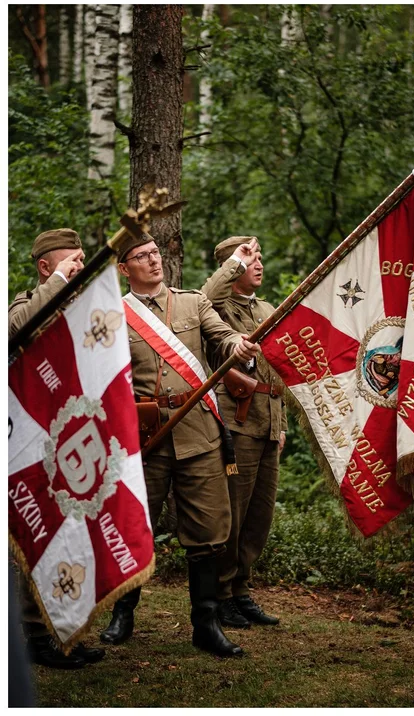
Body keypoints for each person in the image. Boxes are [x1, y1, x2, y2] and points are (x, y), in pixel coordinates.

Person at [100, 231, 260, 658]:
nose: (154, 261)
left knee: (208, 534)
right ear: (124, 267)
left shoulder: (193, 302)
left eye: (155, 253)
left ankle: (205, 624)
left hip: (199, 435)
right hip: (142, 439)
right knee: (134, 527)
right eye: (142, 256)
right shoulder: (113, 314)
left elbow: (222, 338)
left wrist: (238, 348)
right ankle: (123, 612)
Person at [8, 228, 106, 669]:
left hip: (80, 443)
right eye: (71, 263)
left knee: (74, 540)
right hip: (35, 446)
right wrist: (57, 285)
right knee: (39, 539)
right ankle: (35, 632)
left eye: (82, 262)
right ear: (46, 268)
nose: (79, 269)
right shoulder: (27, 303)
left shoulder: (89, 310)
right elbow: (14, 331)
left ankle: (67, 629)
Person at [202, 236, 286, 629]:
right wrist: (234, 262)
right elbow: (208, 293)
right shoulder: (216, 306)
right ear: (232, 266)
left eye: (260, 257)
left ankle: (241, 590)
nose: (259, 264)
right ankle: (220, 595)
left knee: (258, 515)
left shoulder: (267, 308)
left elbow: (280, 371)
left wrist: (281, 425)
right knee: (232, 514)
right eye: (250, 259)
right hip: (237, 421)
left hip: (268, 421)